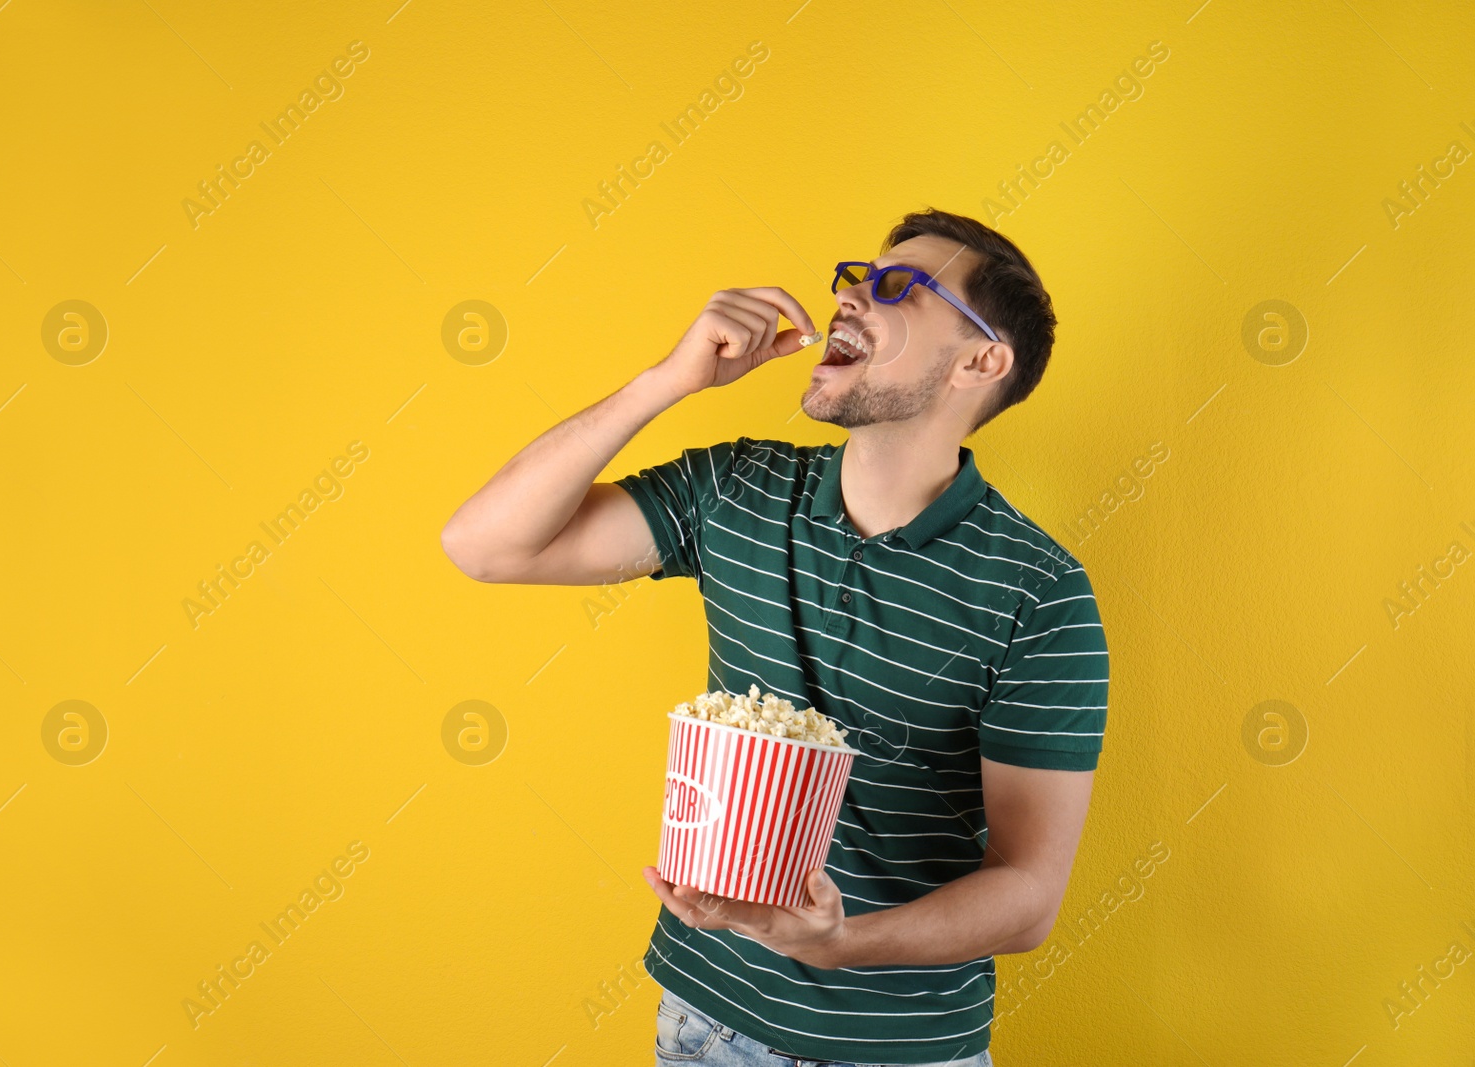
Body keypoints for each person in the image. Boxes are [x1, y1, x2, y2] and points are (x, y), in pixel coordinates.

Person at [440, 208, 1108, 1066]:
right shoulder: (737, 490)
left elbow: (1028, 896)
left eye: (898, 286)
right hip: (709, 1024)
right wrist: (665, 382)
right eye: (856, 276)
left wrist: (840, 942)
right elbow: (485, 545)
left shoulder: (1039, 593)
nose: (852, 297)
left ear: (982, 361)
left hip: (900, 1048)